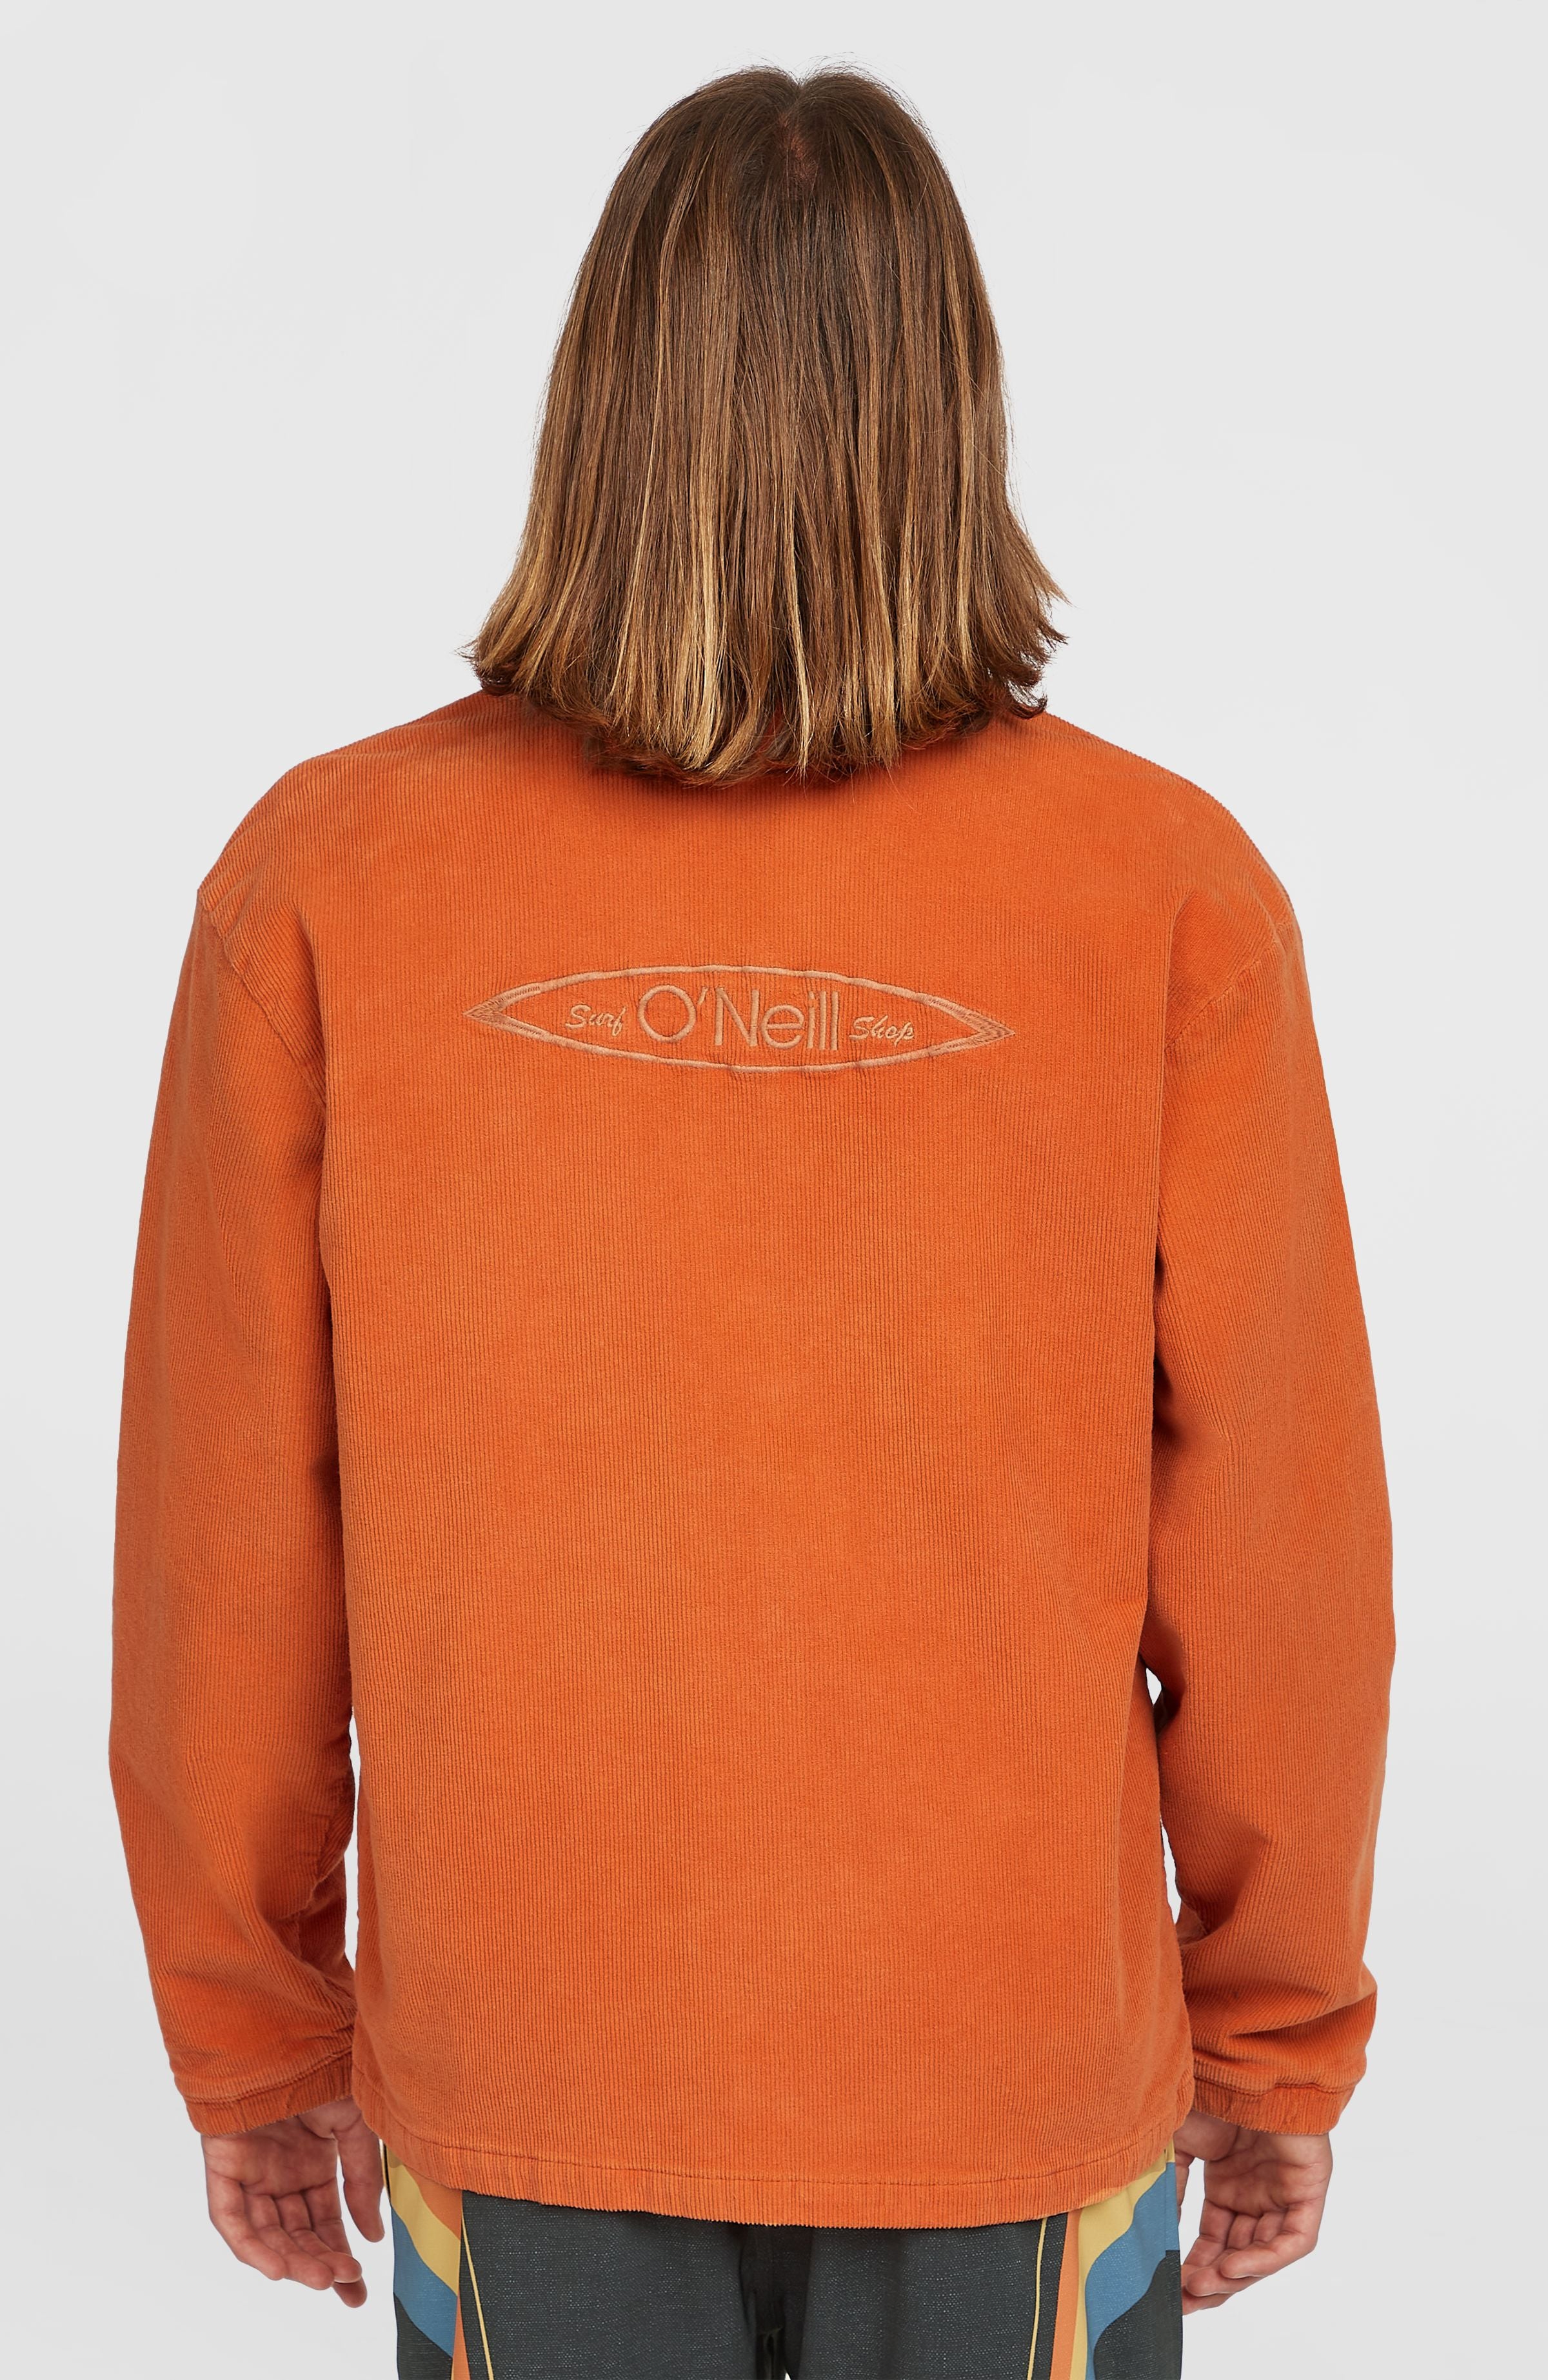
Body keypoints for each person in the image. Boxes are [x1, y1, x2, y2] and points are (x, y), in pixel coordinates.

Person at [110, 64, 1394, 2380]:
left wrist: (255, 2024)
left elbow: (226, 1540)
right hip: (1008, 2080)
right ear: (952, 408)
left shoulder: (331, 881)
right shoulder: (1164, 894)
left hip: (531, 2065)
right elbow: (1279, 1549)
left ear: (600, 401)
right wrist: (1273, 2038)